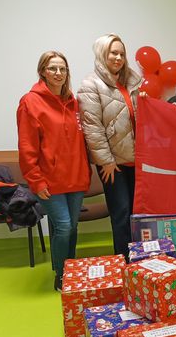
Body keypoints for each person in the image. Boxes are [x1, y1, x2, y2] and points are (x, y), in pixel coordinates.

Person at [17, 51, 90, 291]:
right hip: (49, 181)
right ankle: (61, 275)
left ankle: (72, 269)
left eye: (62, 69)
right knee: (64, 226)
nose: (58, 73)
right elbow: (27, 148)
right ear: (43, 72)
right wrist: (36, 181)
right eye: (52, 68)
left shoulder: (73, 102)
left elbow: (80, 143)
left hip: (76, 179)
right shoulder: (30, 102)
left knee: (73, 227)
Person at [77, 34, 143, 259]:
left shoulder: (132, 82)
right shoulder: (90, 84)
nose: (118, 58)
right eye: (113, 53)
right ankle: (125, 261)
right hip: (112, 164)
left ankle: (138, 258)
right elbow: (92, 127)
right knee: (121, 212)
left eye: (122, 54)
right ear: (102, 54)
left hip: (136, 160)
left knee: (137, 213)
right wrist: (105, 161)